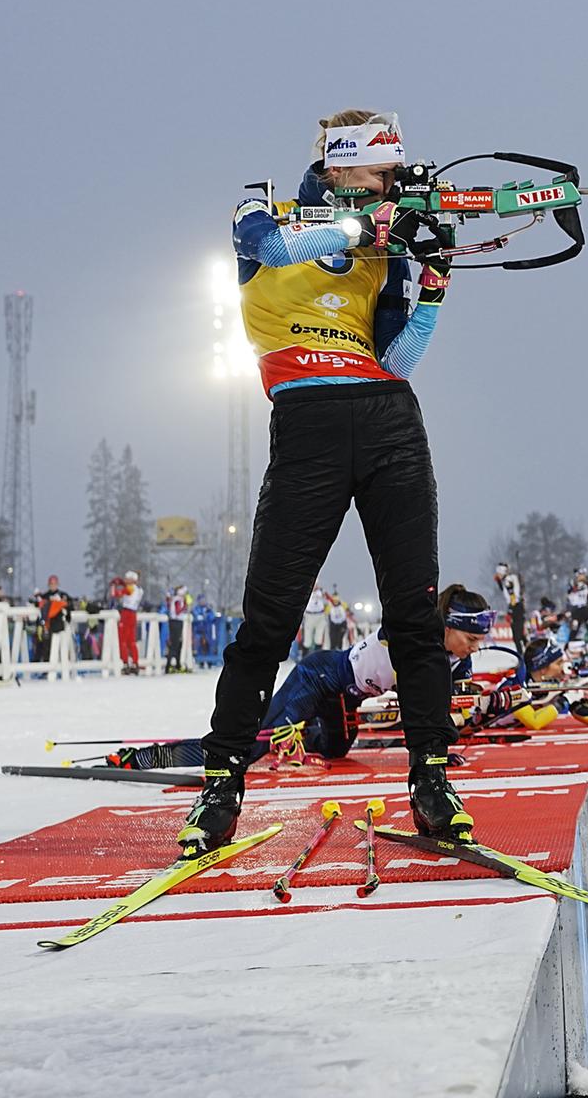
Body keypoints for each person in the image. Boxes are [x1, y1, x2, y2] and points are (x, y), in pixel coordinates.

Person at [180, 112, 469, 855]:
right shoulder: (266, 206)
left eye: (397, 175)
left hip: (389, 422)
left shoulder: (385, 248)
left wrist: (433, 285)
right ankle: (221, 785)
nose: (393, 185)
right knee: (268, 621)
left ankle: (432, 780)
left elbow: (398, 359)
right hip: (308, 426)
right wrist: (363, 229)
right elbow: (269, 248)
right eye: (382, 173)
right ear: (339, 168)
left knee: (414, 616)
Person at [110, 585, 495, 772]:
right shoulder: (411, 634)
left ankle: (294, 732)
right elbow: (416, 704)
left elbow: (441, 711)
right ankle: (145, 757)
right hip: (318, 676)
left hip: (345, 698)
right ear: (447, 626)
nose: (475, 649)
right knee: (249, 749)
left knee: (334, 751)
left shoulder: (456, 662)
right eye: (471, 639)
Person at [110, 570, 143, 673]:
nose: (125, 580)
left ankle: (125, 662)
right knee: (131, 641)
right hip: (133, 614)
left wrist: (113, 586)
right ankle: (135, 662)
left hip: (126, 614)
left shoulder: (130, 588)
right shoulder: (139, 589)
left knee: (123, 640)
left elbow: (115, 594)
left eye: (127, 578)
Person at [493, 560, 527, 659]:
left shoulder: (508, 580)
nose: (497, 575)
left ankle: (522, 657)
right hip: (518, 607)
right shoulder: (509, 579)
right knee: (520, 635)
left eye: (499, 573)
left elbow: (512, 596)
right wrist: (499, 582)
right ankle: (525, 653)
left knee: (517, 636)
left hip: (516, 607)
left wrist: (510, 611)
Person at [35, 575, 72, 663]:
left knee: (63, 647)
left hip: (60, 626)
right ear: (49, 585)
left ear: (57, 584)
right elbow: (38, 606)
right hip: (47, 626)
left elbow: (70, 604)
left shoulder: (63, 595)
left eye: (55, 584)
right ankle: (47, 666)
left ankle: (63, 665)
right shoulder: (45, 596)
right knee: (46, 647)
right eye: (51, 584)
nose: (53, 585)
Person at [565, 568, 588, 651]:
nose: (583, 576)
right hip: (576, 609)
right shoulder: (573, 583)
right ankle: (567, 648)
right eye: (581, 574)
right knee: (575, 626)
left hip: (586, 608)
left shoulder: (587, 583)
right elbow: (570, 590)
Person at [164, 584, 191, 672]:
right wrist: (185, 605)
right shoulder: (177, 599)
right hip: (175, 622)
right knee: (174, 644)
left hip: (177, 622)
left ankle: (177, 664)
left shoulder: (177, 599)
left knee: (178, 644)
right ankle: (168, 666)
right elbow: (178, 611)